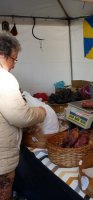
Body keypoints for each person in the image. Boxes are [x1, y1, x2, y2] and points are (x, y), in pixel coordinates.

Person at [0, 32, 46, 200]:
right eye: (14, 59)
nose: (14, 65)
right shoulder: (4, 79)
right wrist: (41, 112)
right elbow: (20, 116)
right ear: (1, 55)